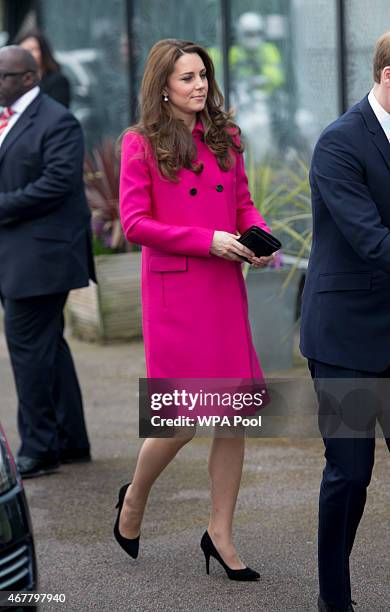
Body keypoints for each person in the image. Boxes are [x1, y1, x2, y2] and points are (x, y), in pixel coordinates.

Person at [116, 39, 275, 579]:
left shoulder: (226, 135)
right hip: (177, 293)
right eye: (186, 78)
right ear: (163, 86)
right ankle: (135, 498)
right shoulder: (139, 144)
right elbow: (135, 224)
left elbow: (242, 201)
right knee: (182, 418)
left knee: (233, 417)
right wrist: (206, 239)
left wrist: (258, 235)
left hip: (223, 287)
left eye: (203, 75)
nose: (199, 85)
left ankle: (221, 533)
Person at [300, 32, 390, 612]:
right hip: (346, 339)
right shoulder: (339, 142)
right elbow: (371, 240)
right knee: (350, 476)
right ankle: (334, 596)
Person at [0, 46, 95, 478]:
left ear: (28, 79)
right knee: (48, 350)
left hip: (42, 261)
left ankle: (39, 449)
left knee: (29, 354)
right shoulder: (8, 117)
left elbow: (56, 184)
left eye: (2, 75)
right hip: (17, 257)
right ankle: (71, 440)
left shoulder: (58, 120)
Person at [16, 29, 71, 108]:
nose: (28, 54)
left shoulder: (57, 81)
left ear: (43, 51)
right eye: (23, 50)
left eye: (33, 49)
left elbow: (57, 113)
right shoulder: (14, 81)